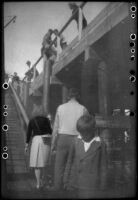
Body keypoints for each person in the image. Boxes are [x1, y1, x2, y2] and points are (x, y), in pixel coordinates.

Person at [50, 88, 88, 191]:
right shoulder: (83, 109)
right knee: (74, 164)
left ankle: (58, 187)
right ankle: (71, 187)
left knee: (59, 164)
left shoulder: (60, 108)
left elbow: (55, 128)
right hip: (77, 138)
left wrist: (53, 144)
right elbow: (86, 126)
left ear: (68, 96)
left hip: (62, 138)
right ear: (78, 96)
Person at [65, 114, 108, 198]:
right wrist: (66, 180)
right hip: (75, 183)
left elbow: (103, 166)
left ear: (93, 130)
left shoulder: (100, 143)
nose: (82, 135)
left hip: (91, 185)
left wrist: (103, 184)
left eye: (84, 133)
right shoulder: (75, 141)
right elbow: (69, 161)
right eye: (80, 132)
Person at [25, 105, 52, 189]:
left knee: (37, 164)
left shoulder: (32, 120)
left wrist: (26, 145)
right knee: (44, 163)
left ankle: (38, 184)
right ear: (43, 111)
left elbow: (29, 133)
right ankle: (45, 181)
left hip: (36, 141)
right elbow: (50, 131)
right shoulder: (47, 120)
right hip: (45, 140)